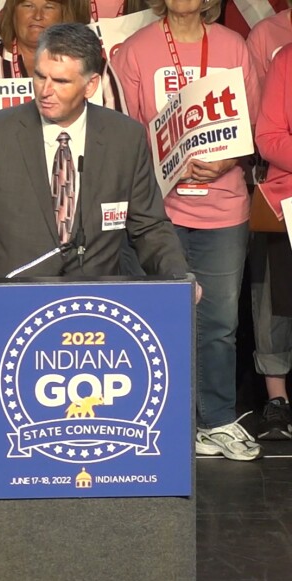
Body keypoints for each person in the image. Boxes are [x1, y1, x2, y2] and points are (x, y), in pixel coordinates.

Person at [0, 23, 191, 313]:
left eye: (61, 81)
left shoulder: (124, 138)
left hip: (95, 314)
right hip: (9, 312)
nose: (46, 91)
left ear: (90, 85)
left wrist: (180, 279)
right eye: (40, 77)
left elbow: (150, 228)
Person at [112, 0, 261, 461]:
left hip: (224, 209)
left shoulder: (234, 46)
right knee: (157, 321)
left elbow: (254, 122)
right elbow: (123, 131)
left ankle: (215, 421)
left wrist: (227, 159)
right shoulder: (135, 50)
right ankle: (162, 422)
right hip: (159, 213)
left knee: (219, 325)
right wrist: (167, 164)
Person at [0, 0, 96, 170]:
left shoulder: (91, 65)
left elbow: (120, 134)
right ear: (12, 12)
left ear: (65, 14)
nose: (37, 15)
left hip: (74, 185)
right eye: (28, 5)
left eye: (49, 7)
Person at [246, 0, 292, 441]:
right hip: (287, 203)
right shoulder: (285, 62)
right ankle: (277, 400)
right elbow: (269, 137)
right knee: (276, 302)